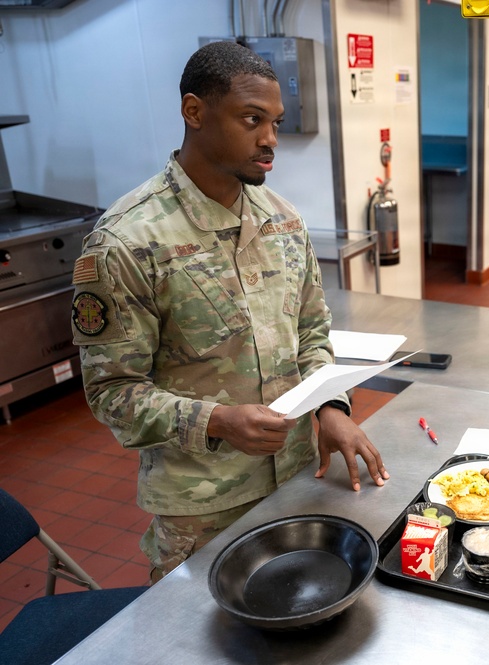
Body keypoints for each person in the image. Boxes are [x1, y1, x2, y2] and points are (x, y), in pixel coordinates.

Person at [70, 41, 389, 582]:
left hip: (294, 480)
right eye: (251, 119)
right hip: (202, 511)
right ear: (194, 112)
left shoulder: (281, 220)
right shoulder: (126, 242)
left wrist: (331, 408)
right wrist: (217, 421)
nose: (269, 140)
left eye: (276, 123)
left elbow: (311, 333)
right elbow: (112, 393)